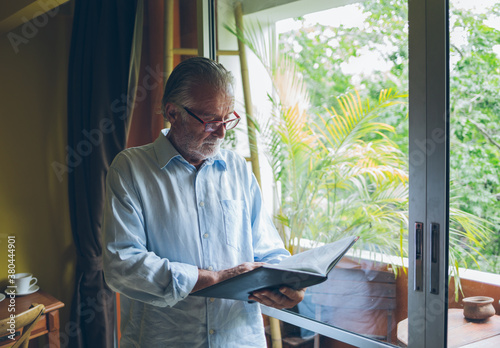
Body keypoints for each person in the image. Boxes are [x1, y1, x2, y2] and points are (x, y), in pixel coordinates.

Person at [102, 57, 305, 347]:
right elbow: (123, 265)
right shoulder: (131, 169)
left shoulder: (238, 168)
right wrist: (214, 278)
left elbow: (267, 248)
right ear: (173, 112)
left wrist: (288, 282)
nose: (222, 132)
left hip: (239, 340)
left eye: (228, 118)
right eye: (211, 121)